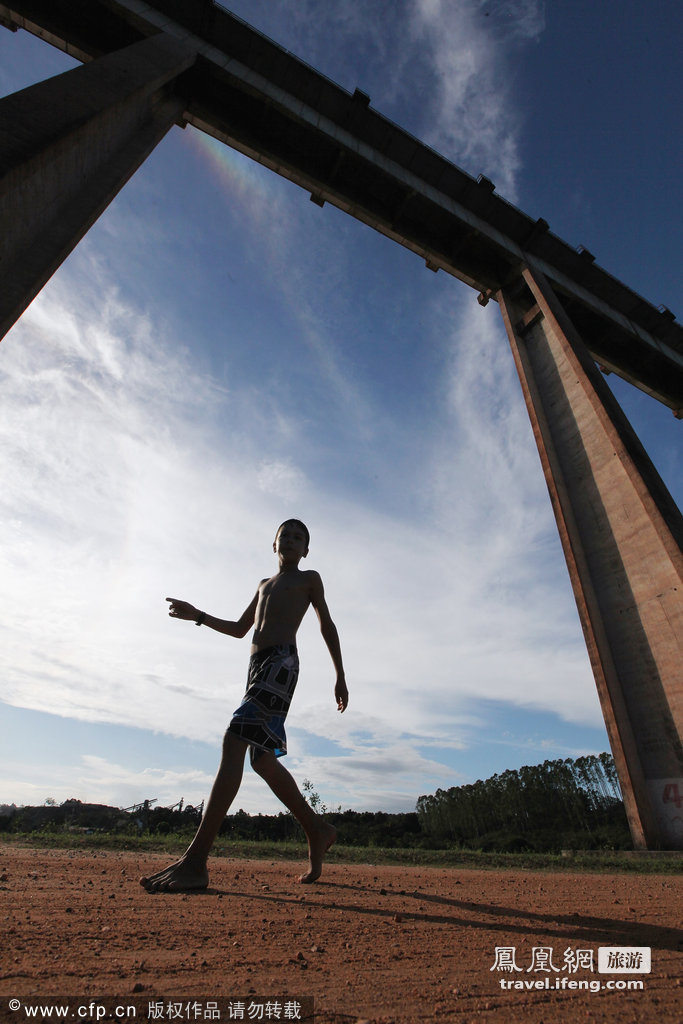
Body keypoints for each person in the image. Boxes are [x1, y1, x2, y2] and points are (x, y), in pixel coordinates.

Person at [140, 519, 348, 892]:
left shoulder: (309, 578)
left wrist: (340, 674)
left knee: (233, 740)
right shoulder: (264, 584)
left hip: (281, 664)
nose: (291, 540)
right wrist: (198, 616)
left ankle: (196, 861)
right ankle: (317, 830)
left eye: (299, 537)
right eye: (285, 534)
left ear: (306, 550)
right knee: (261, 759)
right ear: (274, 544)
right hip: (256, 668)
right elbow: (240, 629)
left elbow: (326, 625)